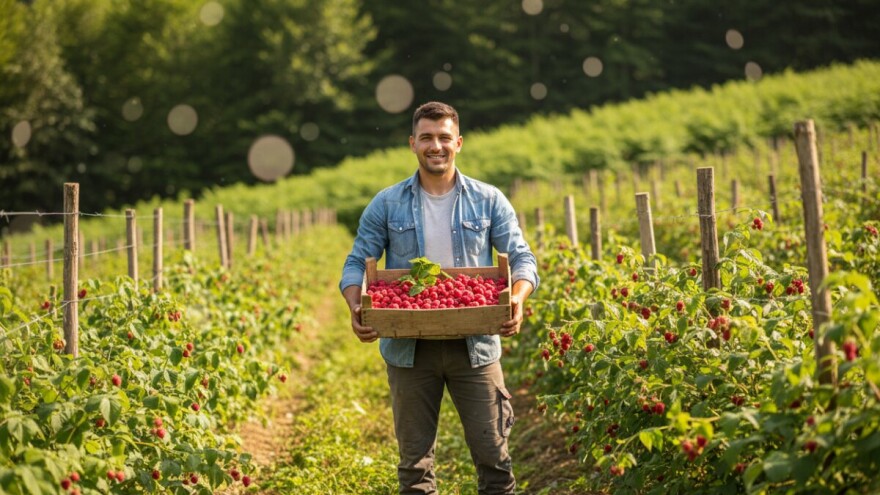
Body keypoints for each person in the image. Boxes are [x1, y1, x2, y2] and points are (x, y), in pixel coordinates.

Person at [339, 101, 539, 495]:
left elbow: (521, 258)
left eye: (444, 137)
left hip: (476, 344)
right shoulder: (386, 203)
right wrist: (356, 303)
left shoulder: (488, 199)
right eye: (427, 137)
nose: (436, 145)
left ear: (459, 142)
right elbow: (356, 261)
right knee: (414, 469)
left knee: (495, 460)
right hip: (409, 347)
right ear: (412, 143)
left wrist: (516, 298)